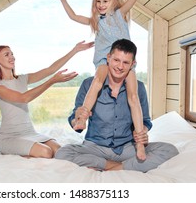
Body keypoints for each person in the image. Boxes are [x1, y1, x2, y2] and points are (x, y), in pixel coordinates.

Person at [51, 0, 147, 160]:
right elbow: (74, 16)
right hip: (104, 58)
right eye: (98, 2)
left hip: (125, 59)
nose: (101, 5)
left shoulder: (120, 14)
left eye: (105, 1)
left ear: (113, 1)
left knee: (133, 97)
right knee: (96, 82)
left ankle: (140, 142)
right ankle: (82, 119)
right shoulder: (97, 21)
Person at [55, 39, 179, 172]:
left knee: (170, 150)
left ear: (133, 64)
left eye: (126, 62)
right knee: (62, 153)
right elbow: (75, 123)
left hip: (126, 148)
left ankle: (116, 166)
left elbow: (145, 121)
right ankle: (112, 165)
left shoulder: (139, 88)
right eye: (116, 60)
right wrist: (77, 118)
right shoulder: (88, 84)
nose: (120, 67)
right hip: (95, 147)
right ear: (108, 58)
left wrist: (142, 131)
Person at [0, 40, 94, 159]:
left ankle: (29, 151)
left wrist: (75, 50)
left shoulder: (22, 79)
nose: (12, 57)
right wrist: (52, 81)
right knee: (46, 153)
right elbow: (23, 98)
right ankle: (19, 153)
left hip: (30, 133)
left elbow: (51, 69)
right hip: (10, 137)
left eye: (12, 54)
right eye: (7, 55)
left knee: (58, 150)